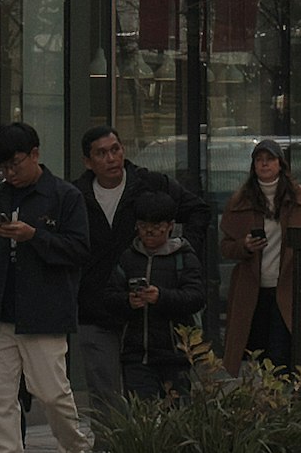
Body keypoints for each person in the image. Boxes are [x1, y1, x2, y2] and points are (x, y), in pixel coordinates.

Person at [0, 123, 92, 453]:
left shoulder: (64, 196)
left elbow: (79, 250)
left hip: (45, 310)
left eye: (15, 163)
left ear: (35, 154)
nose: (10, 173)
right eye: (3, 166)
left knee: (53, 393)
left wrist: (34, 237)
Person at [76, 127, 207, 403]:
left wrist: (179, 251)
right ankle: (109, 447)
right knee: (105, 392)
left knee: (157, 395)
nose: (111, 158)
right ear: (88, 162)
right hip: (97, 305)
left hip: (150, 314)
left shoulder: (149, 184)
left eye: (116, 149)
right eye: (102, 153)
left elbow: (198, 210)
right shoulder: (76, 196)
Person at [222, 139, 301, 372]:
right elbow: (225, 247)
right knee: (257, 353)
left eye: (269, 160)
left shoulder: (300, 198)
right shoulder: (240, 200)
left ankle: (286, 402)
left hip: (288, 287)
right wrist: (245, 245)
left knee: (283, 351)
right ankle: (268, 402)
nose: (264, 165)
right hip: (253, 288)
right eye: (259, 160)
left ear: (280, 164)